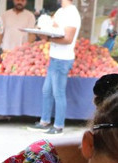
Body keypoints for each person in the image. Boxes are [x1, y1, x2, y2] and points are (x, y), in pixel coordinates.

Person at [27, 0, 81, 136]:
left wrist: (48, 38)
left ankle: (58, 126)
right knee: (47, 91)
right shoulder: (60, 12)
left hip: (63, 59)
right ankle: (44, 121)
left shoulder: (72, 14)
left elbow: (68, 39)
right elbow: (53, 26)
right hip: (54, 57)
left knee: (58, 93)